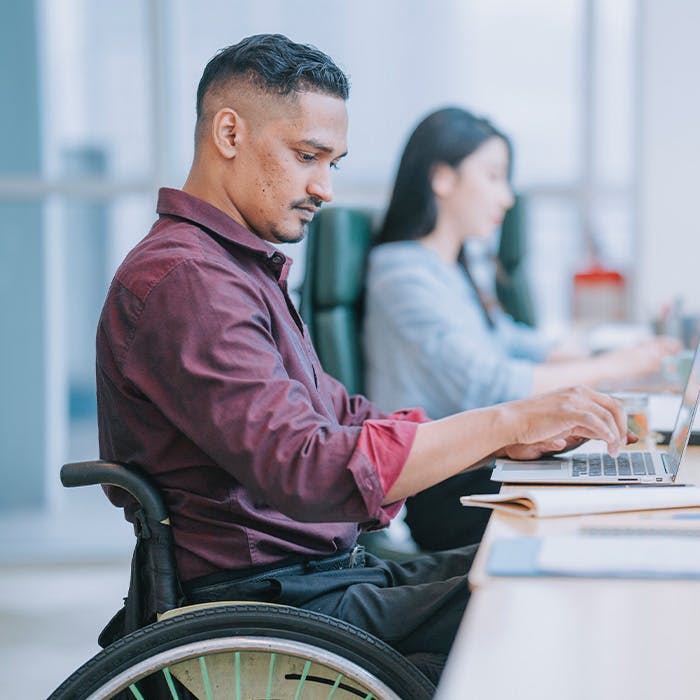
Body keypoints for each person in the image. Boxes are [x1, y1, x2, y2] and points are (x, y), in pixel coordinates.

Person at [96, 35, 630, 683]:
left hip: (319, 579)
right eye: (306, 157)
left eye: (334, 164)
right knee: (541, 598)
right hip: (270, 604)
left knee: (540, 561)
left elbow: (338, 412)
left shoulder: (235, 270)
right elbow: (306, 466)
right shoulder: (189, 281)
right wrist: (505, 423)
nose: (323, 188)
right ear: (229, 133)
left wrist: (501, 443)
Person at [363, 106, 679, 551]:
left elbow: (509, 339)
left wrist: (614, 364)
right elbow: (488, 381)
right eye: (494, 177)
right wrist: (612, 365)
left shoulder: (453, 266)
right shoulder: (402, 273)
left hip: (486, 461)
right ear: (442, 178)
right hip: (447, 488)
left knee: (631, 489)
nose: (507, 198)